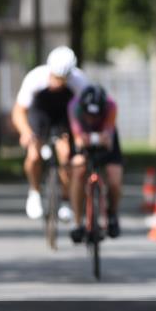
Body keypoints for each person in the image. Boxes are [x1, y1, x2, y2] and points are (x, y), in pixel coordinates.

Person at [10, 46, 90, 222]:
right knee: (33, 155)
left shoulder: (80, 82)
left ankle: (65, 200)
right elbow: (19, 111)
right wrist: (25, 132)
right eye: (55, 77)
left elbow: (85, 114)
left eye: (63, 79)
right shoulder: (35, 78)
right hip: (40, 112)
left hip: (65, 113)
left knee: (66, 154)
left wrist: (80, 136)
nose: (58, 83)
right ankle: (34, 192)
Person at [67, 84, 124, 242]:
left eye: (96, 115)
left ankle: (112, 214)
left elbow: (108, 138)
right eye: (88, 115)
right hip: (82, 136)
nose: (92, 119)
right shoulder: (74, 106)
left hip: (105, 137)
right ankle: (77, 221)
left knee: (114, 179)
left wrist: (101, 138)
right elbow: (78, 138)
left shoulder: (111, 106)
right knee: (78, 170)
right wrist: (82, 142)